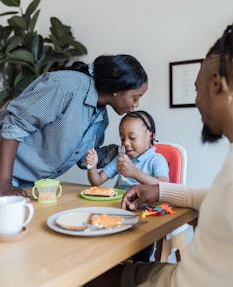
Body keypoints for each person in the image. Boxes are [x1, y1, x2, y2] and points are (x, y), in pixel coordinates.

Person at [84, 24, 233, 287]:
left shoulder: (154, 159)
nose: (197, 102)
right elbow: (218, 199)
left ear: (217, 85)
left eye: (196, 90)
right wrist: (159, 192)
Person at [0, 54, 148, 197]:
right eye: (135, 97)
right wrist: (4, 184)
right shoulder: (65, 86)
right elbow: (14, 126)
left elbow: (85, 158)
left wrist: (118, 151)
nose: (136, 105)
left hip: (29, 182)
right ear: (118, 89)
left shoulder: (100, 118)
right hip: (5, 176)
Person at [85, 110, 169, 262]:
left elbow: (164, 186)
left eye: (132, 137)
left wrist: (134, 172)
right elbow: (96, 181)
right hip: (118, 212)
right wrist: (92, 166)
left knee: (139, 250)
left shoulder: (156, 160)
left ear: (150, 135)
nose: (125, 143)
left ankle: (137, 269)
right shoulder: (121, 158)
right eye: (122, 138)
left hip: (143, 217)